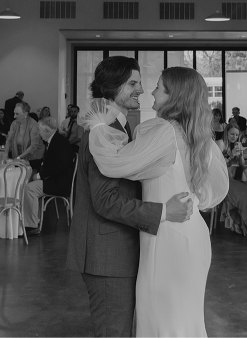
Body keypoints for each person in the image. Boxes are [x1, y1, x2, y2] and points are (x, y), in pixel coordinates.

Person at [80, 66, 229, 336]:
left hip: (169, 236)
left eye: (158, 87)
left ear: (174, 96)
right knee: (181, 320)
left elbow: (114, 163)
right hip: (187, 233)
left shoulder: (163, 132)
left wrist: (99, 125)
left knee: (165, 321)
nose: (150, 90)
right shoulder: (193, 132)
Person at [66, 56, 195, 337]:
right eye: (133, 83)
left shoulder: (118, 126)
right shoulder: (103, 131)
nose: (141, 89)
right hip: (107, 253)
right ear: (112, 87)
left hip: (116, 248)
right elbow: (105, 201)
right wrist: (163, 211)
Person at [23, 117, 76, 231]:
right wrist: (28, 162)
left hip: (60, 183)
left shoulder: (59, 143)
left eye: (40, 130)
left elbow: (59, 167)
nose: (38, 133)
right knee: (29, 184)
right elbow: (46, 161)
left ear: (46, 131)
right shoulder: (55, 140)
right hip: (57, 180)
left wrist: (40, 175)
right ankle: (30, 220)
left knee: (29, 188)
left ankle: (31, 225)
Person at [5, 101, 44, 173]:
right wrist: (5, 154)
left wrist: (18, 158)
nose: (14, 116)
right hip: (19, 159)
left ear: (25, 114)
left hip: (33, 159)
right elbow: (9, 140)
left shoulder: (33, 125)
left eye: (17, 114)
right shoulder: (14, 123)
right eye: (14, 113)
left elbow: (33, 146)